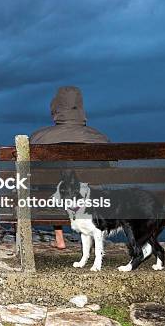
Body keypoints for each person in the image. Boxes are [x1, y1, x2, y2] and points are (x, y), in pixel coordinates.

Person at [30, 86, 109, 249]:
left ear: (56, 109)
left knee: (51, 185)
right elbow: (107, 171)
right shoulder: (100, 138)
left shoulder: (38, 138)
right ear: (81, 109)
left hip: (52, 204)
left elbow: (31, 173)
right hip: (92, 202)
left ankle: (59, 238)